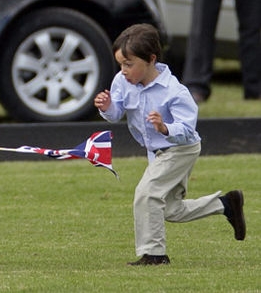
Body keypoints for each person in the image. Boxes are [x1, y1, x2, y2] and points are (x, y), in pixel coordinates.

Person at [94, 23, 245, 266]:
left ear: (151, 59)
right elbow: (115, 113)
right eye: (121, 64)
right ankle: (225, 204)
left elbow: (187, 131)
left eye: (128, 64)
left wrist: (165, 128)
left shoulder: (175, 91)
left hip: (181, 149)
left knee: (147, 193)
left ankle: (155, 255)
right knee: (169, 209)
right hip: (157, 152)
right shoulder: (122, 81)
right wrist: (107, 106)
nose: (123, 70)